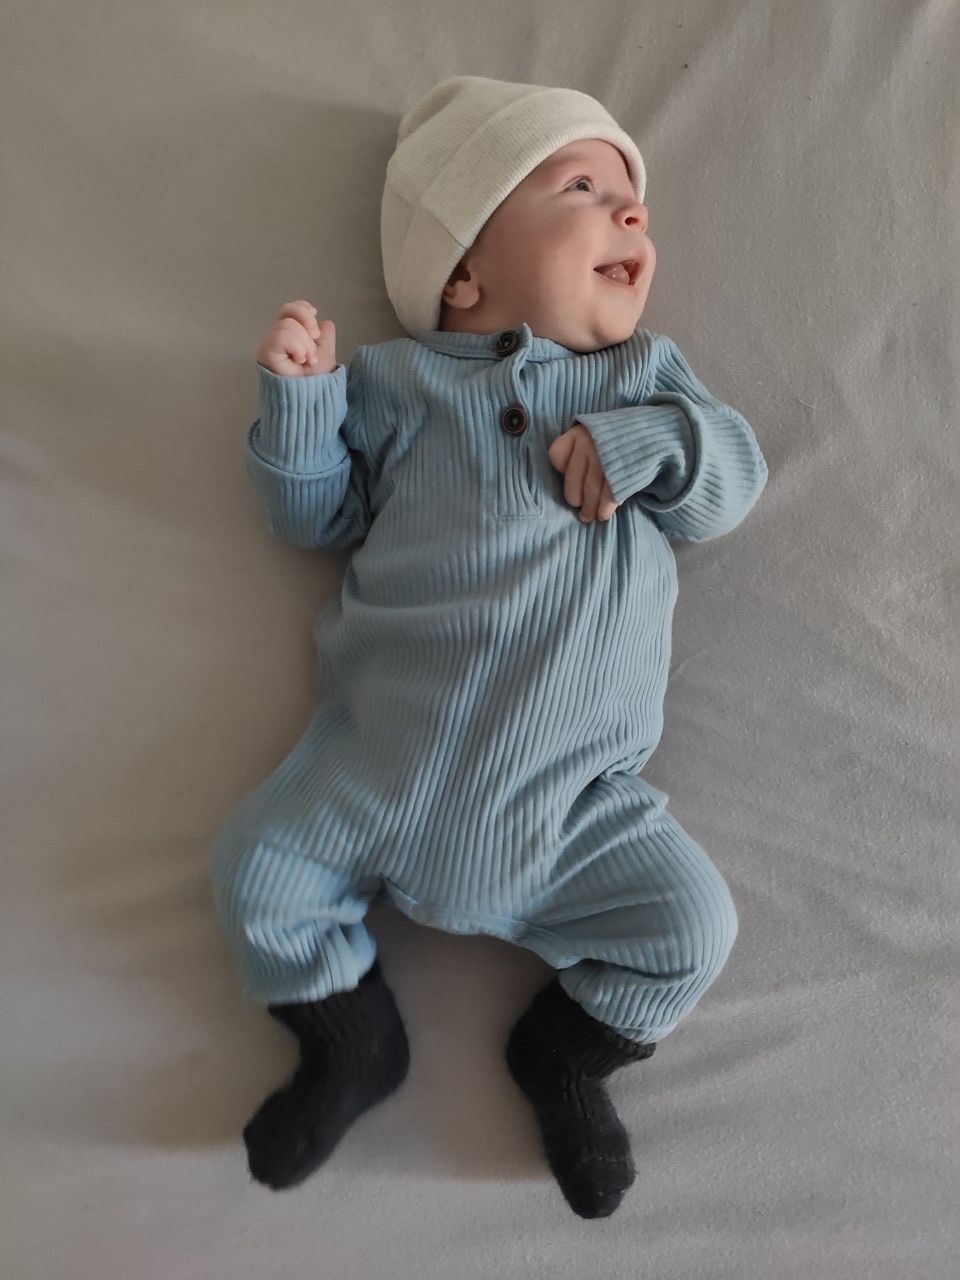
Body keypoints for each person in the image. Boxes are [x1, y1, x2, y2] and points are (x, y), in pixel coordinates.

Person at [209, 75, 768, 1220]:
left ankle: (564, 1055)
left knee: (691, 926)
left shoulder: (643, 379)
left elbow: (729, 483)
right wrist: (300, 408)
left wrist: (655, 442)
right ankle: (350, 1040)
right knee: (257, 872)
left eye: (632, 198)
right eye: (584, 188)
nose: (632, 212)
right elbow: (316, 517)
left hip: (572, 804)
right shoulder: (396, 384)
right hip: (371, 768)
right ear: (462, 272)